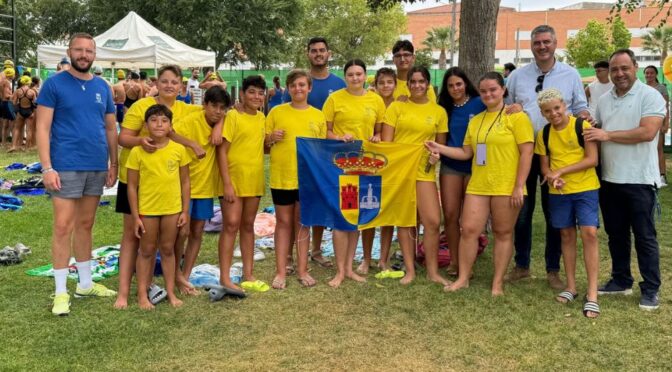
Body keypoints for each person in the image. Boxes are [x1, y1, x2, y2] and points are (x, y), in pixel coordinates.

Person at [426, 72, 534, 295]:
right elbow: (466, 152)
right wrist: (439, 148)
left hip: (506, 185)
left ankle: (497, 283)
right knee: (469, 230)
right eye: (484, 91)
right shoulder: (475, 121)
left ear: (503, 90)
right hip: (479, 184)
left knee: (502, 232)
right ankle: (463, 278)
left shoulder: (517, 117)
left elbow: (527, 152)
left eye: (493, 89)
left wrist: (518, 185)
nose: (488, 94)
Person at [35, 33, 118, 316]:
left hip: (96, 164)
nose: (84, 55)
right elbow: (42, 128)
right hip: (65, 165)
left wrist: (114, 163)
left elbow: (110, 128)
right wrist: (47, 167)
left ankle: (85, 283)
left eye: (89, 51)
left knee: (86, 225)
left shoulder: (102, 86)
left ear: (95, 55)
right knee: (63, 226)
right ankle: (61, 291)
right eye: (79, 50)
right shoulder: (54, 84)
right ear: (70, 52)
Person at [505, 24, 591, 290]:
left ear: (555, 43)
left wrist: (585, 117)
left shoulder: (570, 74)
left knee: (556, 211)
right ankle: (522, 265)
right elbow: (504, 106)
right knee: (521, 210)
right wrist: (513, 108)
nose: (542, 47)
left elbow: (580, 108)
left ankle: (553, 269)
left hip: (557, 154)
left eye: (546, 42)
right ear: (531, 46)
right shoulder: (517, 76)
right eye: (537, 42)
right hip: (522, 151)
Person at [114, 64, 206, 309]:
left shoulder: (185, 108)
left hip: (166, 190)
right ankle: (124, 293)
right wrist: (140, 141)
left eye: (174, 82)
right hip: (134, 181)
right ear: (157, 83)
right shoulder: (141, 106)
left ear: (181, 85)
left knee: (166, 244)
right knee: (132, 238)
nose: (169, 86)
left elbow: (216, 112)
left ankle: (172, 282)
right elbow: (123, 138)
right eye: (164, 81)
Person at [584, 49, 666, 311]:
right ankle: (621, 280)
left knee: (644, 236)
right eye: (614, 69)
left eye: (624, 68)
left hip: (640, 179)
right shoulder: (605, 99)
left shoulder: (650, 95)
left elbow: (647, 131)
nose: (619, 74)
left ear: (635, 68)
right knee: (616, 235)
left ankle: (651, 288)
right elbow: (595, 126)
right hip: (609, 178)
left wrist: (607, 135)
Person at [534, 88, 600, 318]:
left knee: (589, 233)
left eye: (557, 108)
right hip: (559, 192)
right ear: (542, 114)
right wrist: (553, 176)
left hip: (586, 188)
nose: (554, 114)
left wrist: (562, 170)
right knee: (566, 235)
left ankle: (592, 293)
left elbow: (592, 159)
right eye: (548, 111)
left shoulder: (582, 126)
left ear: (564, 105)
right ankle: (571, 286)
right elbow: (544, 167)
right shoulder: (543, 134)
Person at [282, 37, 346, 269]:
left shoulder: (339, 84)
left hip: (325, 153)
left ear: (329, 53)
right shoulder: (297, 82)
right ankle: (288, 255)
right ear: (308, 54)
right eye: (314, 51)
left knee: (320, 201)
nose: (318, 54)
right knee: (293, 209)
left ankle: (317, 250)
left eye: (322, 50)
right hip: (296, 157)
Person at [382, 66, 449, 286]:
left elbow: (440, 145)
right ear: (408, 84)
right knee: (406, 220)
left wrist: (435, 156)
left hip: (424, 172)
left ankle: (432, 271)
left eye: (422, 81)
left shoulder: (438, 112)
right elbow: (387, 144)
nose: (417, 85)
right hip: (401, 172)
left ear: (428, 84)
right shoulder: (396, 107)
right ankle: (410, 270)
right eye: (413, 81)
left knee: (432, 221)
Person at [324, 59, 385, 288]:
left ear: (365, 75)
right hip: (342, 166)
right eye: (350, 74)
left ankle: (349, 268)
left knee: (357, 217)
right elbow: (326, 132)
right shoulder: (335, 99)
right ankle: (340, 271)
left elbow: (378, 131)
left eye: (359, 74)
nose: (355, 78)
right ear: (345, 76)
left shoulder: (376, 100)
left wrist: (377, 137)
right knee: (343, 217)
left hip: (367, 166)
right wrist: (339, 137)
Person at [127, 104, 191, 310]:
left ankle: (171, 292)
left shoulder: (179, 150)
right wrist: (136, 216)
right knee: (146, 251)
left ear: (170, 125)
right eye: (154, 120)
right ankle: (142, 295)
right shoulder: (137, 152)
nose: (159, 124)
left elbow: (185, 182)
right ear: (146, 125)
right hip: (148, 210)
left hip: (172, 210)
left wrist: (184, 211)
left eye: (164, 120)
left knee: (168, 250)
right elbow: (132, 187)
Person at [265, 69, 325, 289]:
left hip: (306, 179)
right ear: (288, 89)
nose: (298, 89)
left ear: (309, 87)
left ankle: (302, 270)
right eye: (293, 85)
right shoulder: (276, 112)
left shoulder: (318, 116)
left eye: (302, 85)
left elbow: (321, 150)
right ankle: (281, 271)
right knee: (283, 223)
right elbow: (263, 143)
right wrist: (271, 138)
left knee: (302, 224)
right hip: (282, 178)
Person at [172, 86, 230, 295]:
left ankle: (185, 276)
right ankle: (175, 276)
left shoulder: (222, 121)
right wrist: (193, 145)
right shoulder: (191, 120)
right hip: (184, 187)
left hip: (205, 189)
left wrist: (220, 123)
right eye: (213, 106)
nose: (217, 111)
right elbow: (169, 132)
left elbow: (236, 111)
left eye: (222, 108)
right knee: (182, 232)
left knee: (197, 232)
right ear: (204, 104)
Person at [217, 75, 268, 292]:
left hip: (253, 181)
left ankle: (248, 274)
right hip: (233, 181)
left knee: (248, 226)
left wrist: (272, 140)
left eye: (260, 93)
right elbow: (222, 150)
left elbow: (261, 147)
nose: (256, 96)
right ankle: (225, 277)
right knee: (231, 225)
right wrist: (227, 183)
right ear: (242, 94)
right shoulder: (233, 116)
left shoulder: (261, 119)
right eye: (252, 92)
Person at [436, 67, 486, 278]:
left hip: (476, 166)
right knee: (450, 215)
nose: (455, 88)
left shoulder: (480, 102)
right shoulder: (443, 109)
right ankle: (455, 261)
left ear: (465, 83)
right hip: (451, 166)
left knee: (470, 220)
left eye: (458, 84)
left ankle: (468, 264)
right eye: (450, 85)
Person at [368, 68, 397, 270]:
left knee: (389, 212)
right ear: (376, 85)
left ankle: (383, 259)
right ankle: (366, 258)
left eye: (389, 82)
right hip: (372, 162)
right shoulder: (369, 102)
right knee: (368, 209)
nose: (385, 86)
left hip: (395, 164)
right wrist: (376, 135)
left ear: (395, 84)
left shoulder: (402, 104)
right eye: (382, 82)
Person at [643, 65, 669, 188]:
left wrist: (666, 123)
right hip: (645, 123)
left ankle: (662, 175)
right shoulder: (641, 88)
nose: (649, 75)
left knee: (658, 149)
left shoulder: (661, 88)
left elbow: (666, 107)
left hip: (658, 122)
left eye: (651, 73)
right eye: (647, 73)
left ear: (656, 74)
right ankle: (649, 175)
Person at [8, 76, 36, 152]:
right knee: (29, 130)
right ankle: (27, 148)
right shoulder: (32, 91)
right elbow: (35, 103)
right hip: (29, 112)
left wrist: (17, 106)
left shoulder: (18, 91)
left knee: (16, 128)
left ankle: (13, 146)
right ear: (28, 82)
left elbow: (13, 102)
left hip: (21, 111)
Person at [0, 67, 15, 146]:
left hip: (2, 103)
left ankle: (3, 143)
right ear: (11, 74)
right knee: (14, 121)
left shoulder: (2, 82)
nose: (14, 76)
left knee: (5, 123)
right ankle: (13, 143)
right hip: (7, 103)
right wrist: (14, 96)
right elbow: (6, 95)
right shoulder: (7, 82)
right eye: (14, 74)